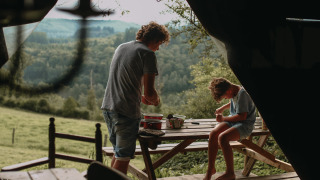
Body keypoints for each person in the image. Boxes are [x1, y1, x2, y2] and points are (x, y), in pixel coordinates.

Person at [101, 21, 170, 175]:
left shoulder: (122, 47)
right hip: (126, 112)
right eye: (159, 43)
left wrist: (139, 97)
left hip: (108, 107)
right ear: (155, 39)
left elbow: (123, 81)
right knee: (123, 157)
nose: (158, 48)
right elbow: (151, 92)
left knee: (119, 154)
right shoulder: (147, 53)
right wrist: (155, 100)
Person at [204, 77, 256, 180]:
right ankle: (210, 169)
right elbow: (234, 100)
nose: (226, 98)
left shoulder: (243, 94)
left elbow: (242, 116)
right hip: (235, 122)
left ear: (229, 90)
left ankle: (230, 173)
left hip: (245, 124)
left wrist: (223, 118)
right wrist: (222, 108)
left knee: (223, 138)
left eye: (225, 96)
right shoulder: (234, 91)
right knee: (213, 133)